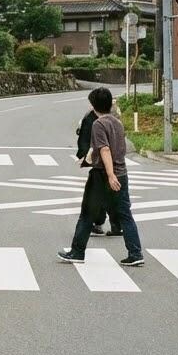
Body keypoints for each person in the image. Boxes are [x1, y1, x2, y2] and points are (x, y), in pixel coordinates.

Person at [58, 87, 144, 267]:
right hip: (122, 173)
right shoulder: (117, 123)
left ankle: (77, 252)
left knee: (87, 214)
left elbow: (104, 149)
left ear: (93, 105)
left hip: (102, 175)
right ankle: (135, 253)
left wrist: (110, 174)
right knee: (125, 214)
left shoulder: (98, 124)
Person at [74, 108, 121, 237]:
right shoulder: (115, 116)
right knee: (113, 196)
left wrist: (85, 157)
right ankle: (117, 225)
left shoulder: (92, 118)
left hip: (102, 164)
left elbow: (92, 143)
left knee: (97, 197)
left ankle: (96, 225)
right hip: (117, 164)